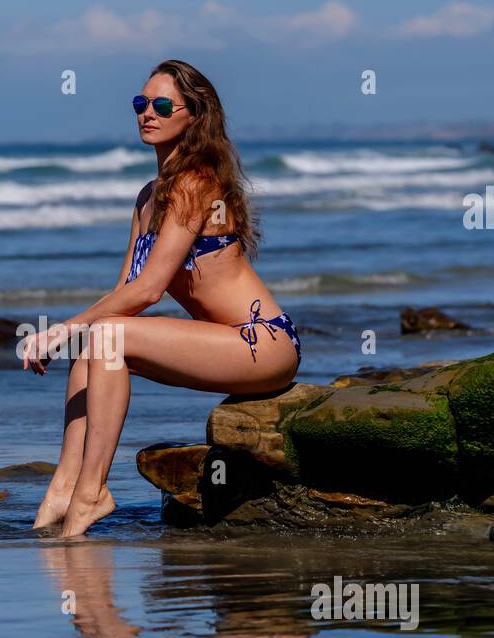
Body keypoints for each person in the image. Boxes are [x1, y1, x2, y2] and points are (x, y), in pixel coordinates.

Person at [22, 59, 301, 538]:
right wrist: (75, 334)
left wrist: (63, 327)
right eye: (140, 103)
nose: (147, 113)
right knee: (94, 345)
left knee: (104, 336)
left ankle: (92, 493)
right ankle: (64, 487)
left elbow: (150, 291)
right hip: (225, 342)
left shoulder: (196, 184)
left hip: (263, 343)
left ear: (194, 115)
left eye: (162, 105)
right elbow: (125, 291)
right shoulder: (149, 195)